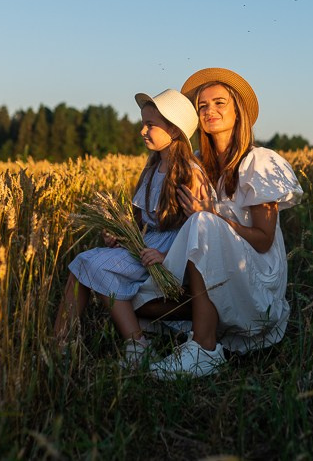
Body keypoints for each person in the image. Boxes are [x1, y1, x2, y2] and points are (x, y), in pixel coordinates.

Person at [134, 67, 304, 378]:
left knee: (203, 221)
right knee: (137, 297)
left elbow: (264, 239)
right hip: (209, 272)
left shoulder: (259, 162)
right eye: (202, 106)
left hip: (254, 278)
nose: (210, 111)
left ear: (238, 110)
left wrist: (213, 215)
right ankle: (197, 326)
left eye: (219, 103)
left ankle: (204, 349)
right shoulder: (194, 163)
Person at [53, 88, 207, 367]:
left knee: (85, 263)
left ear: (174, 131)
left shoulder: (190, 174)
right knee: (88, 265)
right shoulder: (151, 169)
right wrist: (121, 236)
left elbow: (196, 228)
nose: (142, 131)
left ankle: (76, 345)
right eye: (143, 123)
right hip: (146, 248)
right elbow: (140, 223)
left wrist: (166, 258)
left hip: (169, 255)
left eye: (150, 125)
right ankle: (128, 343)